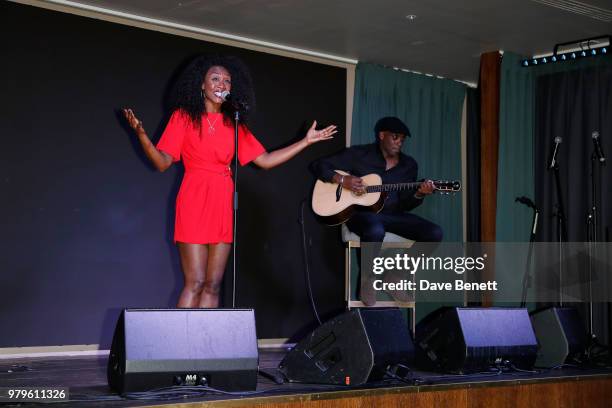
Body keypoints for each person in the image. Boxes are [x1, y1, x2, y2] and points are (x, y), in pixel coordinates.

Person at [123, 55, 336, 308]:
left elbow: (265, 160)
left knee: (213, 284)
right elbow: (162, 162)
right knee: (195, 282)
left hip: (223, 201)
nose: (221, 84)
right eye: (215, 79)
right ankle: (178, 345)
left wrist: (305, 141)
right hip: (194, 199)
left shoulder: (233, 124)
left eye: (227, 81)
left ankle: (206, 345)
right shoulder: (183, 118)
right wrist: (142, 135)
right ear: (202, 85)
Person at [310, 116, 442, 305]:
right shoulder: (359, 154)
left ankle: (395, 276)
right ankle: (367, 280)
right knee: (375, 228)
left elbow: (405, 204)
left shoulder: (409, 165)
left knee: (434, 233)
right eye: (395, 137)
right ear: (382, 135)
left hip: (393, 215)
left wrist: (420, 194)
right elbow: (318, 165)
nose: (399, 142)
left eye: (402, 139)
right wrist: (342, 180)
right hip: (360, 214)